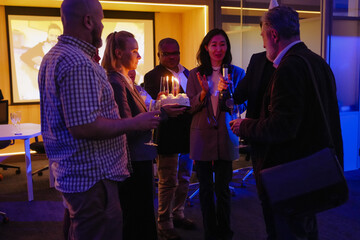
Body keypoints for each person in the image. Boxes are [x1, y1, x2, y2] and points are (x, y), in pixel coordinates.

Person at [38, 1, 160, 239]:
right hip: (93, 178)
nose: (103, 26)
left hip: (80, 174)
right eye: (101, 19)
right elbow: (84, 126)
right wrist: (135, 123)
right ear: (88, 21)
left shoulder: (55, 56)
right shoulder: (78, 63)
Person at [230, 5, 343, 240]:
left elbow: (283, 126)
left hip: (288, 176)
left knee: (286, 231)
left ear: (273, 35)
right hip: (311, 169)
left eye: (263, 36)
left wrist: (245, 126)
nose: (263, 45)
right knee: (305, 229)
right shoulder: (317, 62)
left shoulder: (288, 67)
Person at [186, 28, 245, 240]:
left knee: (223, 187)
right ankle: (210, 232)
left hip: (226, 135)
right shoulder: (195, 74)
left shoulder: (237, 73)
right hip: (201, 135)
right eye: (214, 45)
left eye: (222, 44)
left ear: (227, 47)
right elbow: (189, 108)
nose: (218, 49)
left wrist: (228, 93)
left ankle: (225, 231)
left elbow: (240, 105)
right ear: (206, 47)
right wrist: (203, 93)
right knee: (204, 187)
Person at [101, 30, 160, 240]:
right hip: (133, 160)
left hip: (140, 156)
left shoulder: (125, 80)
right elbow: (127, 127)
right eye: (134, 51)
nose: (139, 56)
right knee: (138, 216)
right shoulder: (116, 81)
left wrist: (159, 110)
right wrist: (158, 116)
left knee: (142, 213)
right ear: (118, 53)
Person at [144, 38, 195, 240]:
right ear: (159, 55)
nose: (172, 57)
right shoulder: (152, 76)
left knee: (184, 178)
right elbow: (153, 104)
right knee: (167, 181)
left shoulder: (189, 73)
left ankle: (179, 213)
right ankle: (164, 222)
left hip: (189, 134)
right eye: (167, 54)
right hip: (167, 136)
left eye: (175, 52)